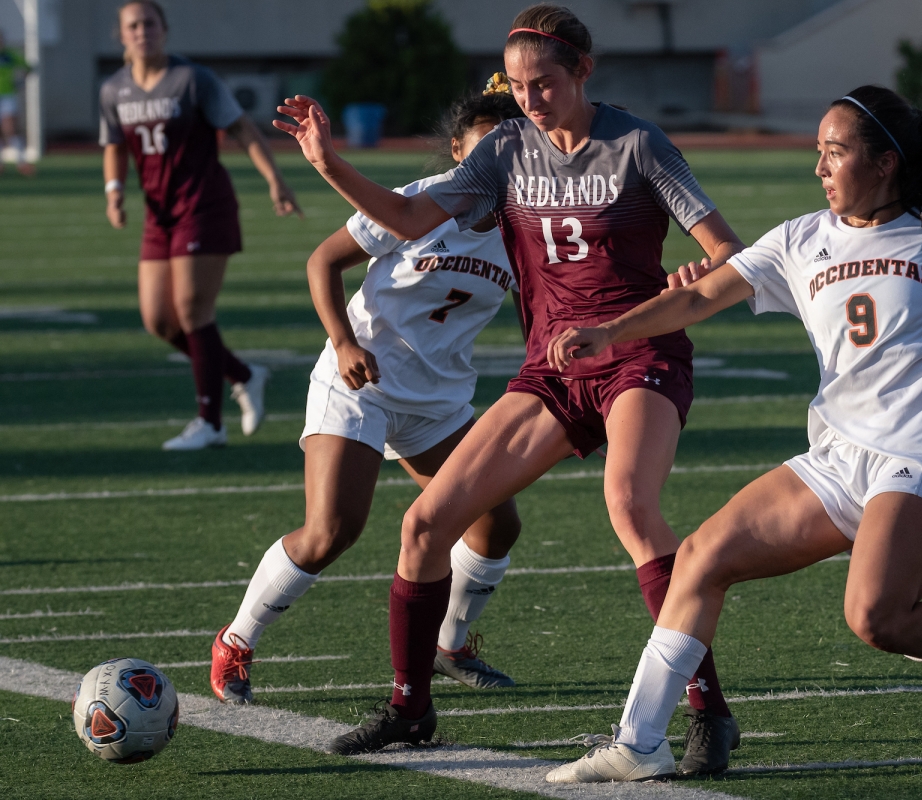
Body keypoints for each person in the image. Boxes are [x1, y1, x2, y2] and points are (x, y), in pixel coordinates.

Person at [540, 85, 922, 784]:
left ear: (884, 163)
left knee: (877, 616)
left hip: (921, 452)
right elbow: (699, 296)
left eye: (835, 151)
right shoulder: (799, 238)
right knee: (699, 557)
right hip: (838, 454)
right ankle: (640, 743)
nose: (819, 167)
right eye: (817, 150)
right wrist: (610, 332)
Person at [274, 4, 747, 774]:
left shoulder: (636, 143)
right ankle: (409, 707)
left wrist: (704, 269)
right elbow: (404, 215)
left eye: (546, 83)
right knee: (427, 525)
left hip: (638, 353)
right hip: (553, 370)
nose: (530, 99)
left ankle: (708, 713)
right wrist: (328, 163)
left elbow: (728, 253)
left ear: (584, 73)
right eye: (519, 85)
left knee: (630, 505)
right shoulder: (504, 151)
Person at [210, 83, 528, 705]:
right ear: (457, 151)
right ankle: (236, 642)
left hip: (437, 398)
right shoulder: (418, 201)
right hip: (360, 381)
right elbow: (322, 263)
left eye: (504, 146)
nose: (490, 157)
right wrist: (344, 342)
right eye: (478, 146)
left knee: (495, 524)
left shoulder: (523, 229)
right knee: (332, 530)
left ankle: (449, 646)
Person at [101, 0, 301, 451]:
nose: (141, 31)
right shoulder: (113, 89)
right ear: (121, 35)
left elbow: (243, 129)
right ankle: (245, 375)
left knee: (193, 311)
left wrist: (275, 181)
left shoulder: (192, 79)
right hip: (159, 214)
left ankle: (210, 422)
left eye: (149, 23)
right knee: (158, 320)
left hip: (203, 205)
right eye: (132, 25)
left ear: (164, 29)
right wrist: (114, 190)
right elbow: (114, 143)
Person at [0, 28, 34, 177]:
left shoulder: (9, 56)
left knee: (10, 128)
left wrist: (19, 82)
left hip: (7, 96)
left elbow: (28, 67)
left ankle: (21, 161)